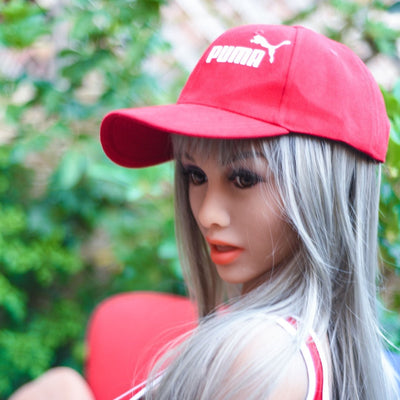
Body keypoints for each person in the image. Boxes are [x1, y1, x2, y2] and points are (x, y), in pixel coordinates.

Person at [9, 24, 399, 400]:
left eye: (244, 178)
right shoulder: (328, 355)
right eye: (195, 175)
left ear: (324, 192)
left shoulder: (261, 356)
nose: (208, 214)